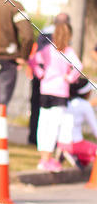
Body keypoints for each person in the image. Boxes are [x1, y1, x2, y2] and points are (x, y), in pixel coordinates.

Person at [29, 18, 81, 171]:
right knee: (53, 126)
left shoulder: (48, 49)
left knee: (43, 124)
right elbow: (78, 66)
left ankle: (43, 158)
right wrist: (70, 78)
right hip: (60, 92)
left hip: (45, 90)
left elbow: (33, 60)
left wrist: (40, 73)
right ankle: (47, 158)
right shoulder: (68, 52)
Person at [27, 13, 70, 146]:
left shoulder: (43, 33)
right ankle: (52, 142)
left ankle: (34, 137)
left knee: (37, 108)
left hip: (41, 79)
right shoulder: (62, 36)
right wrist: (68, 77)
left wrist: (39, 73)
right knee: (55, 115)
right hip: (58, 84)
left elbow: (34, 57)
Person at [57, 78, 97, 166]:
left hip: (60, 143)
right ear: (86, 92)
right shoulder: (85, 105)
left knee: (88, 160)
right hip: (75, 144)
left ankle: (72, 156)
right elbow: (95, 129)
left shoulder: (66, 101)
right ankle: (70, 153)